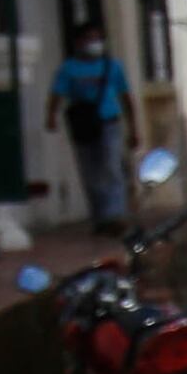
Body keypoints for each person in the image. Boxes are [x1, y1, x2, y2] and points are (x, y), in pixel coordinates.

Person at [47, 22, 132, 228]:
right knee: (90, 172)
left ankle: (115, 214)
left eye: (98, 39)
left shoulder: (112, 67)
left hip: (109, 122)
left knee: (111, 167)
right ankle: (100, 216)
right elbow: (57, 94)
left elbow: (125, 96)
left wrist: (133, 126)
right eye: (90, 39)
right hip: (83, 123)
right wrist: (51, 116)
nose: (95, 43)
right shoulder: (69, 69)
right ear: (78, 42)